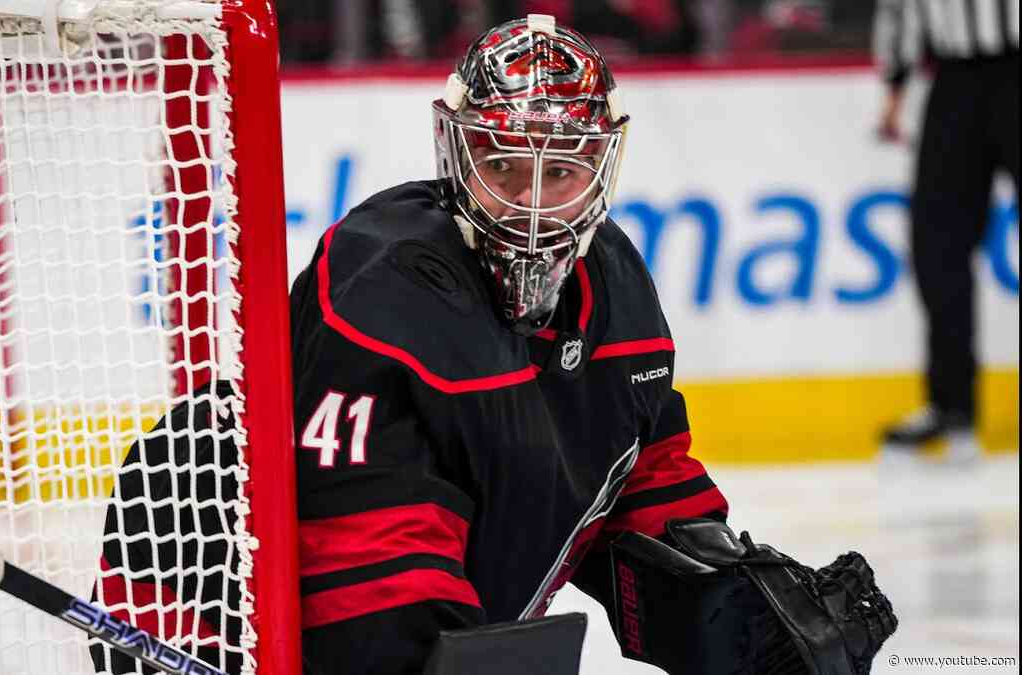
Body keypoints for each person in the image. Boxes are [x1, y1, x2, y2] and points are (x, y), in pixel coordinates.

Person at [92, 15, 897, 675]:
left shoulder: (615, 286)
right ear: (457, 151)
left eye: (563, 171)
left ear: (605, 163)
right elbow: (379, 590)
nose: (533, 204)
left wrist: (740, 622)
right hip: (218, 619)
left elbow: (637, 481)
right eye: (504, 163)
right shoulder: (387, 286)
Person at [873, 0, 1019, 462]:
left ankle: (953, 409)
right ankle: (953, 409)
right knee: (938, 247)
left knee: (941, 247)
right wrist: (896, 86)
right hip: (954, 82)